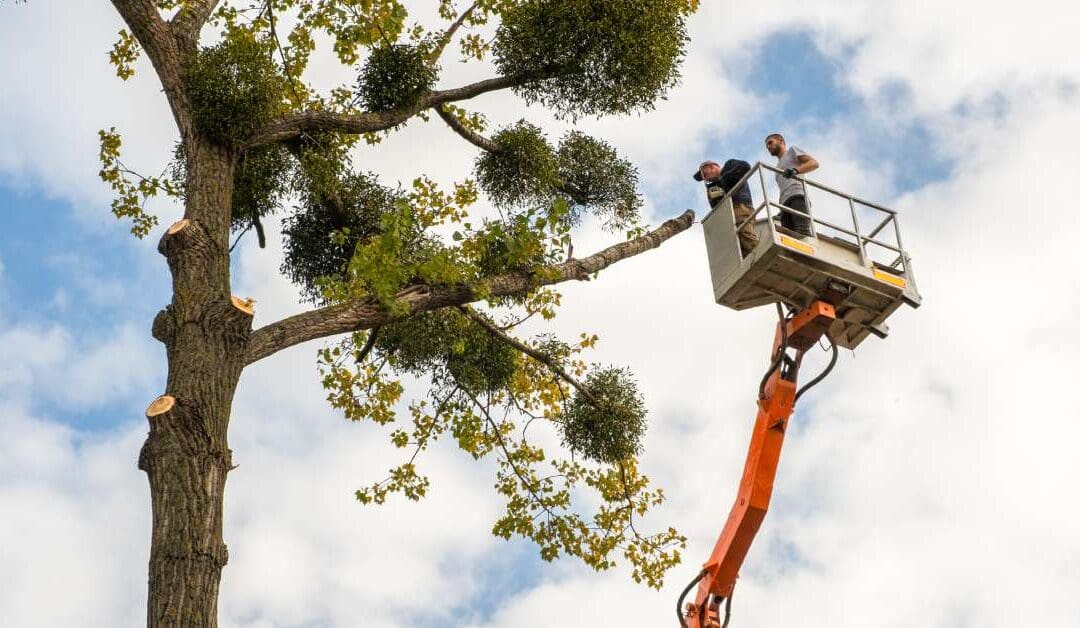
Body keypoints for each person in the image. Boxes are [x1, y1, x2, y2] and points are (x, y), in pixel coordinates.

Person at [694, 159, 758, 256]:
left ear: (711, 167)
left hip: (740, 207)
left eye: (705, 175)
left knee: (746, 236)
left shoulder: (730, 165)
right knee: (740, 247)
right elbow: (716, 208)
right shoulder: (715, 185)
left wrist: (722, 181)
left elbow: (745, 166)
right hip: (729, 213)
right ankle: (754, 263)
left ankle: (761, 256)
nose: (706, 179)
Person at [764, 133, 819, 236]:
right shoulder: (777, 168)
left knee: (802, 233)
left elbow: (814, 163)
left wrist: (795, 170)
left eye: (770, 142)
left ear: (781, 141)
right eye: (767, 146)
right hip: (784, 203)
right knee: (789, 237)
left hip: (797, 196)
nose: (768, 147)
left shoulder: (792, 151)